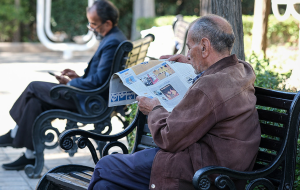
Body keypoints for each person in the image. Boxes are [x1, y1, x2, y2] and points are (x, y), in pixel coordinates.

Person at [88, 14, 261, 190]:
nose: (187, 54)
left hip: (202, 172)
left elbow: (168, 137)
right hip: (218, 165)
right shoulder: (241, 69)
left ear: (204, 46)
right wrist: (189, 63)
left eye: (189, 47)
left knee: (105, 166)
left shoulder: (210, 86)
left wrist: (154, 109)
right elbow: (215, 70)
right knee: (105, 186)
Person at [0, 0, 127, 170]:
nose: (91, 28)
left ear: (108, 23)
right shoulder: (113, 38)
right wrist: (78, 77)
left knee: (33, 87)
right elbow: (100, 78)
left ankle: (13, 134)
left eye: (93, 24)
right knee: (34, 102)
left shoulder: (112, 42)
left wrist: (72, 83)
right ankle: (30, 156)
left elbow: (98, 82)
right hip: (92, 97)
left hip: (90, 102)